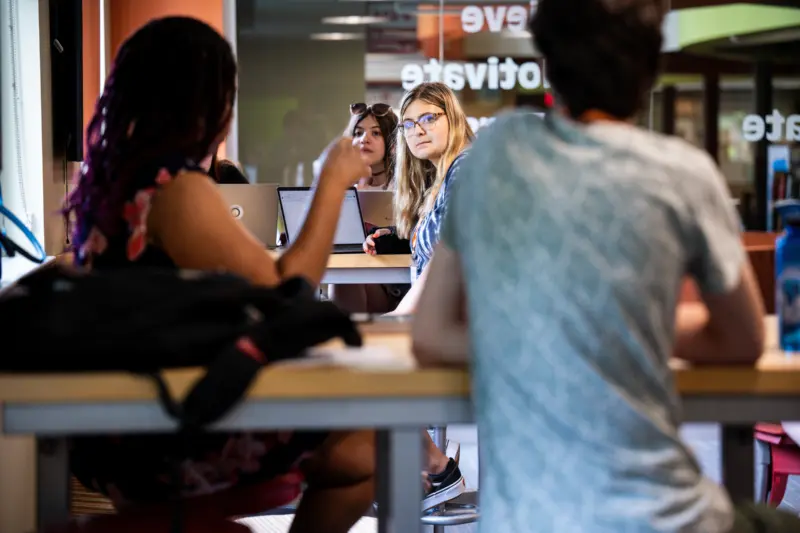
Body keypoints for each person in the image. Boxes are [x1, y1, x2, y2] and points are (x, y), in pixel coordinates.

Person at [412, 0, 800, 532]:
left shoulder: (496, 159)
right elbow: (742, 341)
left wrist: (554, 330)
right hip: (667, 518)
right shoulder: (685, 173)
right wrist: (623, 324)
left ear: (546, 63)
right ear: (652, 70)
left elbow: (431, 335)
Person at [62, 16, 375, 533]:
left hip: (120, 430)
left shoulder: (113, 184)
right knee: (373, 451)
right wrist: (332, 179)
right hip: (166, 442)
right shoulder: (176, 189)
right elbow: (285, 290)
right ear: (208, 103)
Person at [364, 82, 474, 316]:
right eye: (409, 124)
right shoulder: (440, 177)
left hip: (457, 324)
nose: (417, 131)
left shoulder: (466, 169)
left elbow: (448, 255)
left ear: (452, 118)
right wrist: (400, 236)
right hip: (439, 318)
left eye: (428, 118)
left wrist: (397, 319)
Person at [328, 103, 411, 314]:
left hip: (398, 283)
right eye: (358, 132)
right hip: (353, 277)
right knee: (344, 272)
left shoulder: (407, 187)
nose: (365, 139)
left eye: (376, 133)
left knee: (346, 274)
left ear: (392, 142)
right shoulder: (341, 186)